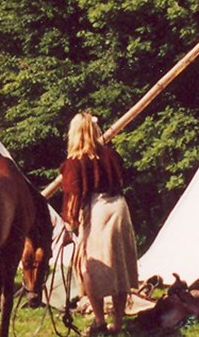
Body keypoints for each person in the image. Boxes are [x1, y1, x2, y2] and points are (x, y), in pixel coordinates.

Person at [59, 112, 136, 334]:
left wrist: (68, 226)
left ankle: (100, 321)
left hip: (98, 211)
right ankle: (118, 323)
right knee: (119, 265)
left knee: (88, 266)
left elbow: (73, 197)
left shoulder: (74, 163)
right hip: (120, 208)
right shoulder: (111, 154)